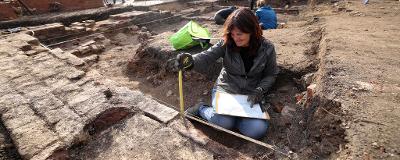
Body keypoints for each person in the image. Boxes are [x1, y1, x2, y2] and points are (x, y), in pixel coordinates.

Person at [174, 8, 279, 139]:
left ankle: (233, 119)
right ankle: (201, 109)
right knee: (223, 122)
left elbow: (271, 74)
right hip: (226, 90)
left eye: (239, 34)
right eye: (232, 34)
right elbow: (206, 57)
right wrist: (190, 61)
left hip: (250, 94)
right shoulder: (226, 42)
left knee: (256, 130)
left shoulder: (267, 48)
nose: (235, 38)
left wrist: (260, 89)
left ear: (252, 30)